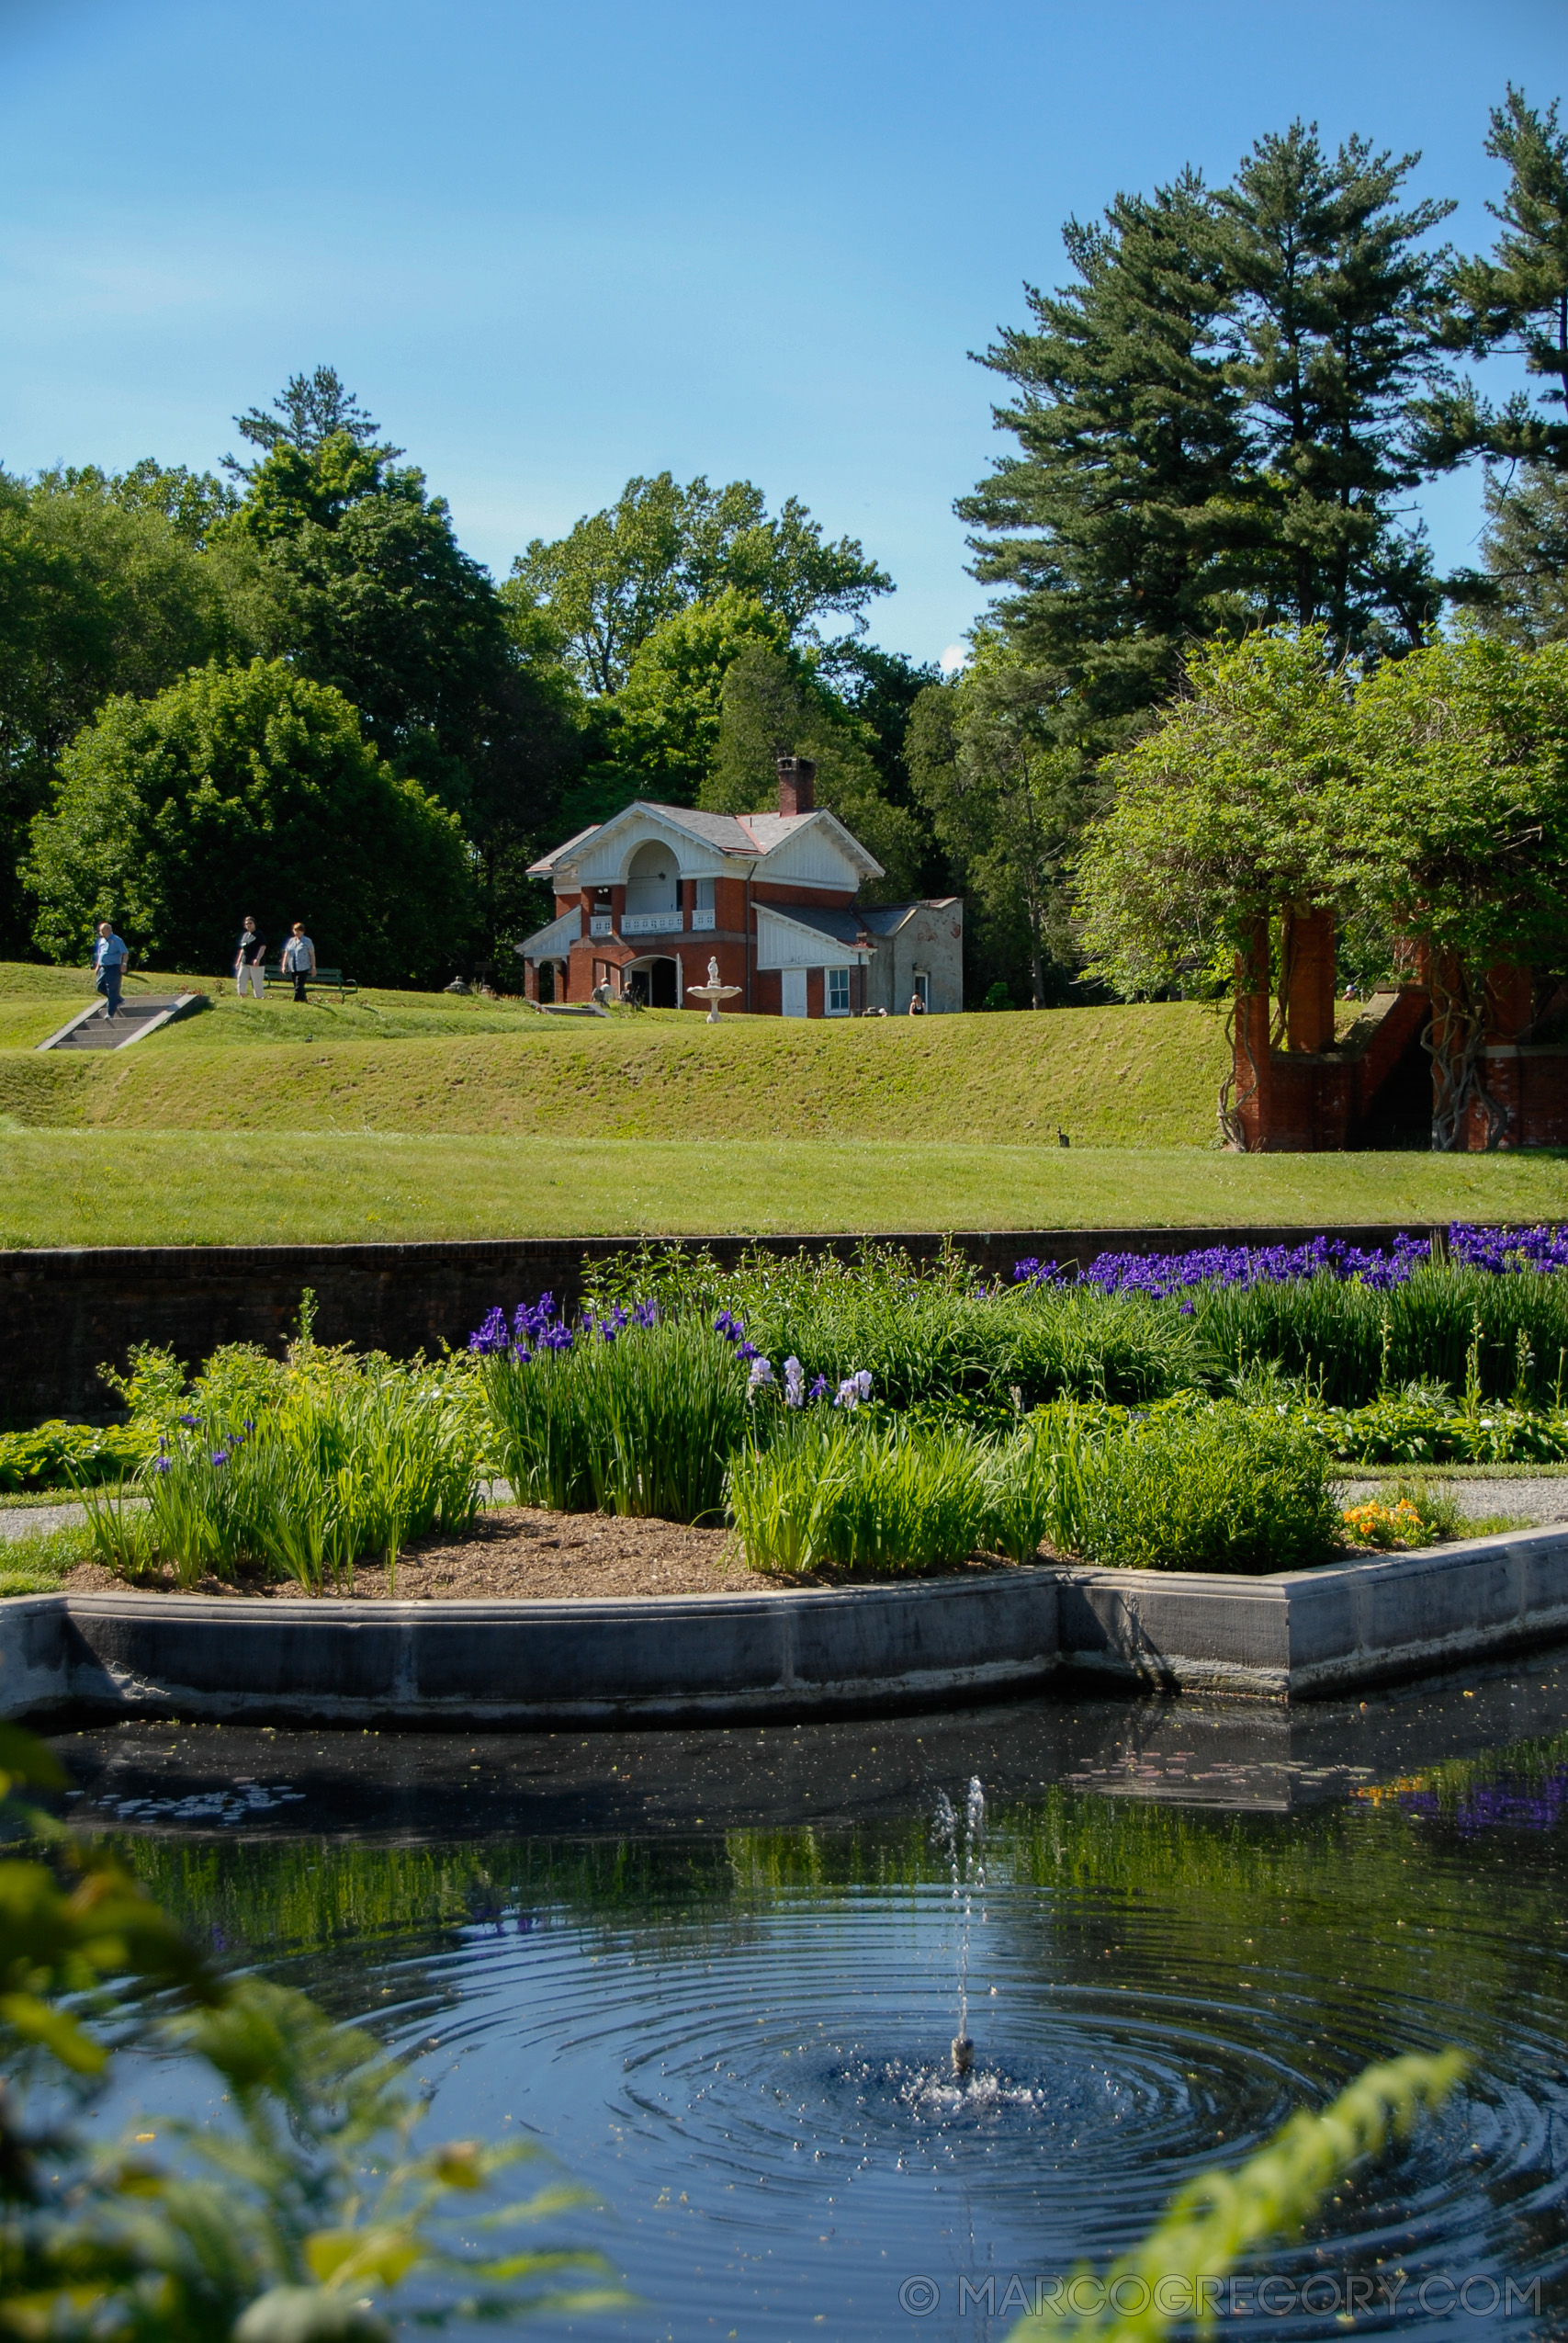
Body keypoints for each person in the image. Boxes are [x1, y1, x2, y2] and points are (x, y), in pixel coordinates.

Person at [91, 921, 130, 1018]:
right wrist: (98, 966)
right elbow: (101, 954)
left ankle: (110, 1013)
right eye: (100, 932)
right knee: (99, 987)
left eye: (103, 931)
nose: (101, 933)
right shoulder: (102, 941)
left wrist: (124, 964)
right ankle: (118, 999)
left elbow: (125, 952)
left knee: (112, 990)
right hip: (104, 967)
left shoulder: (117, 940)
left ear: (109, 930)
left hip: (114, 967)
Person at [281, 922, 316, 1002]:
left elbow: (312, 955)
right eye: (295, 930)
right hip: (293, 967)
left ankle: (295, 1001)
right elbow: (286, 954)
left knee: (299, 986)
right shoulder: (291, 941)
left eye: (299, 931)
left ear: (303, 931)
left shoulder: (307, 941)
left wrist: (313, 967)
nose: (297, 932)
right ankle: (304, 1001)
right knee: (297, 986)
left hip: (303, 967)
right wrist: (284, 965)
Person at [234, 915, 266, 1000]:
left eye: (250, 923)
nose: (248, 925)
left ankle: (259, 998)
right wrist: (238, 961)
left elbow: (263, 947)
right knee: (241, 979)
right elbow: (242, 949)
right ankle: (242, 996)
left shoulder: (259, 934)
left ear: (254, 924)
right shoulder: (245, 935)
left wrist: (258, 958)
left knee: (257, 982)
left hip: (256, 963)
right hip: (245, 962)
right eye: (246, 924)